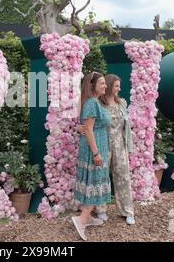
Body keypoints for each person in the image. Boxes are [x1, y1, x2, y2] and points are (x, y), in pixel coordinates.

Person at [78, 74, 135, 225]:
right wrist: (80, 128)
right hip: (102, 144)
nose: (119, 89)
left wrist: (128, 145)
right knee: (101, 178)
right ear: (109, 86)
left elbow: (126, 127)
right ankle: (101, 210)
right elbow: (88, 124)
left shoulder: (122, 103)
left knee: (123, 177)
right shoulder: (97, 103)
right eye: (116, 86)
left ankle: (127, 211)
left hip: (119, 145)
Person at [72, 72, 112, 241]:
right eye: (102, 83)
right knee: (94, 180)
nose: (105, 86)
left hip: (97, 145)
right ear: (92, 85)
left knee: (95, 180)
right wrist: (96, 153)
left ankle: (87, 217)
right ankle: (81, 219)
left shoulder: (93, 102)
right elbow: (88, 129)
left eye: (105, 83)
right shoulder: (92, 103)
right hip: (94, 148)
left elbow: (83, 126)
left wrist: (80, 129)